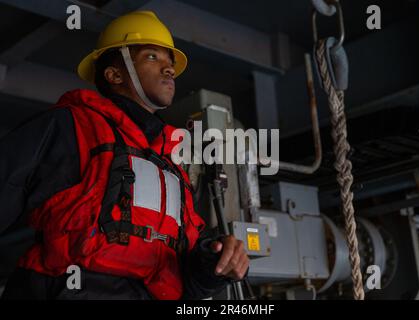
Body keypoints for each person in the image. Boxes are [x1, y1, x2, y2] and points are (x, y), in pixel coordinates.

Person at [0, 10, 249, 300]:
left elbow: (189, 285)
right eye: (152, 57)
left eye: (171, 63)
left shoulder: (174, 166)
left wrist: (217, 264)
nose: (169, 69)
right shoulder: (67, 128)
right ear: (114, 74)